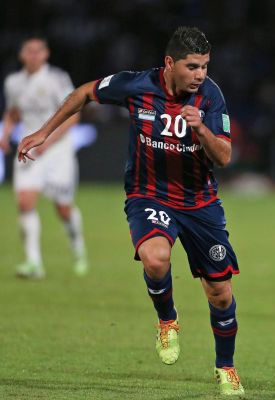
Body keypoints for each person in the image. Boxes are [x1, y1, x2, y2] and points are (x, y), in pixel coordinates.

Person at [17, 27, 245, 396]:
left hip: (199, 202)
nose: (200, 74)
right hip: (148, 194)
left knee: (220, 292)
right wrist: (44, 132)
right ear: (170, 63)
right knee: (155, 258)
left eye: (204, 66)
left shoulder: (211, 96)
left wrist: (201, 128)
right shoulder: (137, 85)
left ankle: (226, 367)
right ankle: (167, 321)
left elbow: (224, 156)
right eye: (192, 66)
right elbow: (84, 92)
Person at [1, 36, 88, 279]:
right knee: (25, 201)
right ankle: (34, 263)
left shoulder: (57, 79)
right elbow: (13, 113)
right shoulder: (13, 82)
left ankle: (78, 248)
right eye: (29, 51)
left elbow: (73, 115)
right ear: (22, 55)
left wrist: (47, 141)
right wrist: (5, 134)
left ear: (46, 54)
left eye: (38, 51)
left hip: (57, 151)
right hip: (29, 148)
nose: (34, 55)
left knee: (63, 208)